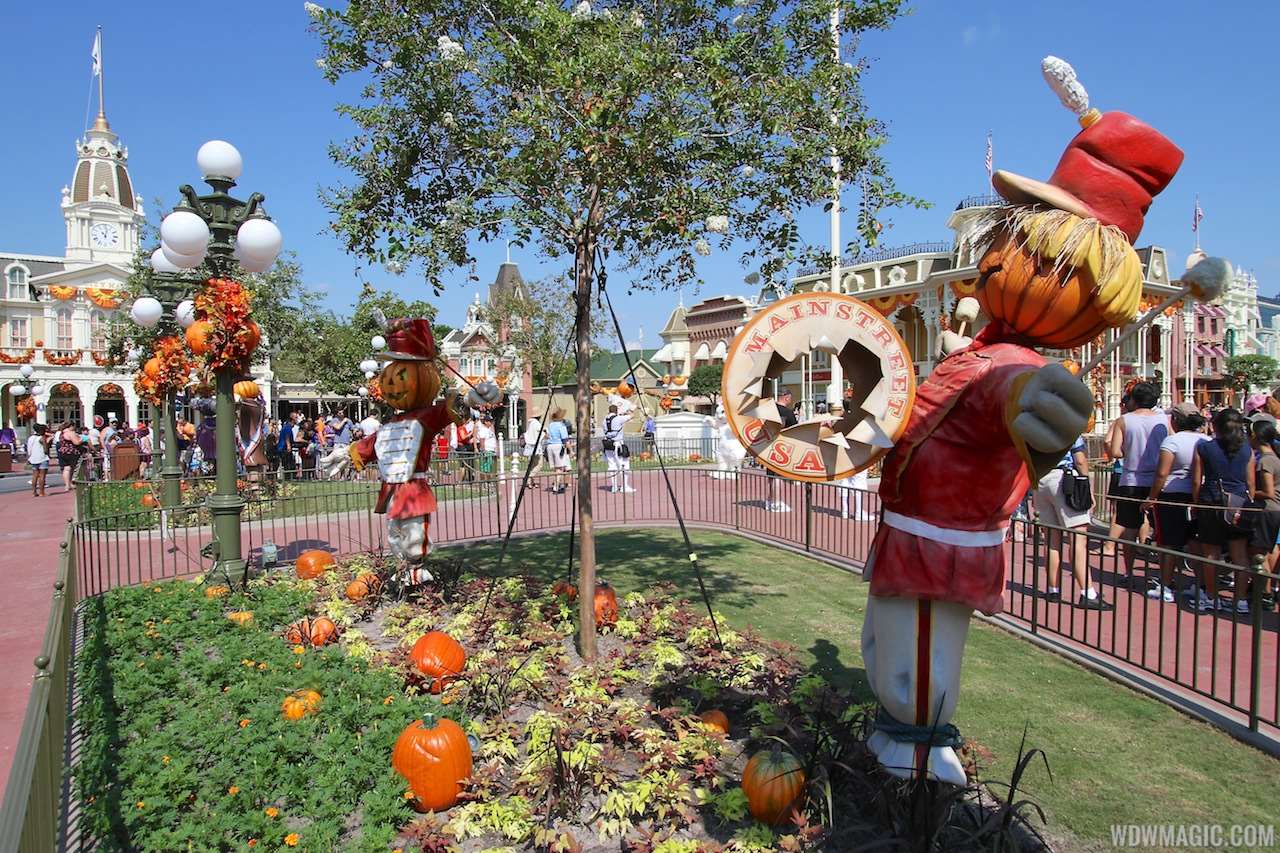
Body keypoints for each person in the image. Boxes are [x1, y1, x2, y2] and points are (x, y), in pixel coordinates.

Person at [1034, 436, 1111, 609]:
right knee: (1078, 539)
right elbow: (1080, 459)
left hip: (1041, 480)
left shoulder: (1034, 423)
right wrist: (1086, 488)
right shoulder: (1069, 425)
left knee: (1052, 540)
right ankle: (1087, 592)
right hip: (1064, 479)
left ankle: (1053, 589)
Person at [1141, 402, 1208, 602]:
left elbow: (1162, 473)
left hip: (1172, 496)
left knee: (1168, 544)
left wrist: (1152, 497)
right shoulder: (1206, 440)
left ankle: (1166, 584)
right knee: (1195, 543)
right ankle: (1201, 585)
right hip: (1197, 497)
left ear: (1176, 420)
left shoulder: (1172, 442)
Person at [1189, 407, 1254, 614]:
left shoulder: (1204, 447)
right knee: (1240, 554)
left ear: (1215, 426)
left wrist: (1196, 503)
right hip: (1239, 502)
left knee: (1211, 552)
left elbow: (1196, 480)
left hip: (1211, 500)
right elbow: (1251, 483)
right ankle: (1241, 600)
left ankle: (1211, 596)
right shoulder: (1247, 449)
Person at [1106, 382, 1168, 583]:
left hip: (1131, 479)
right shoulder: (1164, 420)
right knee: (1161, 529)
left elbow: (1115, 451)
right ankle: (1164, 574)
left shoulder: (1125, 420)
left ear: (1134, 399)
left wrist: (1130, 451)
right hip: (1157, 480)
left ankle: (1129, 572)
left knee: (1130, 529)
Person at [1248, 420, 1280, 612]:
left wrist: (1251, 492)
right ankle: (1270, 589)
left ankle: (1265, 593)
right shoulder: (1275, 458)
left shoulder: (1266, 460)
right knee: (1269, 551)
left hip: (1268, 509)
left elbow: (1267, 491)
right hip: (1275, 510)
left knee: (1259, 553)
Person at [765, 388, 798, 512]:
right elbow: (795, 429)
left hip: (768, 446)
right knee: (778, 476)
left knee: (771, 476)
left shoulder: (769, 410)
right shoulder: (788, 413)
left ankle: (770, 500)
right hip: (783, 448)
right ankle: (776, 502)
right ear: (787, 397)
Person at [601, 403, 634, 493]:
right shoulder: (619, 418)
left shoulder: (604, 420)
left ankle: (614, 487)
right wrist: (628, 409)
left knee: (612, 466)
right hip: (618, 444)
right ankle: (624, 486)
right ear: (616, 411)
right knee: (624, 465)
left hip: (608, 445)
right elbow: (632, 415)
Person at [546, 408, 571, 494]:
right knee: (560, 468)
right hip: (558, 446)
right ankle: (556, 487)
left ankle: (557, 484)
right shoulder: (561, 426)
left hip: (550, 446)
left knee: (556, 468)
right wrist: (570, 450)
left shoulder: (550, 425)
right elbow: (565, 439)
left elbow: (547, 435)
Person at [56, 421, 83, 492]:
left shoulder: (62, 433)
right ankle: (70, 483)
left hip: (62, 451)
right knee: (72, 468)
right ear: (71, 426)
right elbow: (76, 442)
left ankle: (67, 485)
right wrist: (81, 440)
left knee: (66, 468)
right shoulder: (71, 433)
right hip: (71, 452)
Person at [26, 424, 50, 497]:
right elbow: (45, 450)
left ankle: (34, 492)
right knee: (42, 476)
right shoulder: (42, 438)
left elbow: (29, 449)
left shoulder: (31, 438)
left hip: (33, 458)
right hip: (42, 458)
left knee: (35, 475)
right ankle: (42, 492)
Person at [522, 412, 545, 485]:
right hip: (536, 446)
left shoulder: (530, 424)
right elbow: (542, 434)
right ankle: (529, 477)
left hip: (529, 446)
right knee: (539, 464)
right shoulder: (537, 424)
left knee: (532, 465)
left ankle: (530, 482)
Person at [476, 414, 497, 479]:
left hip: (491, 450)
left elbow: (493, 439)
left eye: (492, 421)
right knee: (485, 467)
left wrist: (496, 448)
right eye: (490, 421)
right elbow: (482, 440)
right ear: (485, 422)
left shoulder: (490, 430)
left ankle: (488, 481)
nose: (491, 423)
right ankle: (484, 481)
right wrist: (483, 450)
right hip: (487, 450)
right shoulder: (483, 430)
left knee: (490, 467)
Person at [99, 415, 119, 481]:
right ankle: (107, 479)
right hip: (107, 450)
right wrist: (104, 449)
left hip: (114, 451)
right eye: (113, 422)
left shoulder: (116, 430)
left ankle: (112, 478)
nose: (114, 424)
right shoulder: (106, 430)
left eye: (115, 422)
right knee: (107, 466)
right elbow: (101, 439)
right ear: (109, 423)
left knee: (113, 465)